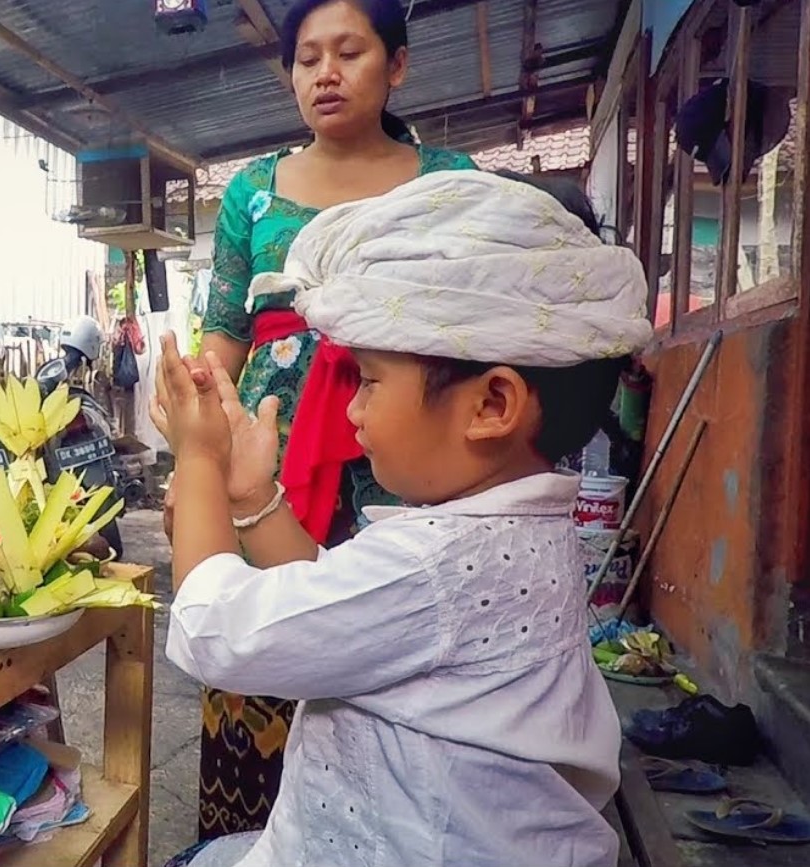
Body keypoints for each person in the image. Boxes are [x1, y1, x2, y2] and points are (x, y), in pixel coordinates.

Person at [154, 168, 651, 866]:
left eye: (368, 378)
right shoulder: (510, 534)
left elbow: (215, 632)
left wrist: (197, 460)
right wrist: (250, 496)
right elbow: (337, 597)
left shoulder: (438, 561)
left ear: (491, 405)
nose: (351, 407)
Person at [185, 0, 476, 842]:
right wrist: (199, 463)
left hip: (404, 451)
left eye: (348, 51)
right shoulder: (250, 190)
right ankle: (249, 836)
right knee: (261, 631)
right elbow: (223, 335)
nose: (325, 72)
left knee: (386, 651)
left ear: (398, 65)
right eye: (306, 57)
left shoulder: (449, 177)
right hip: (269, 449)